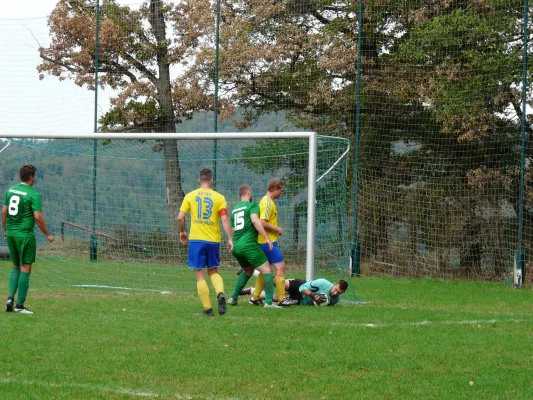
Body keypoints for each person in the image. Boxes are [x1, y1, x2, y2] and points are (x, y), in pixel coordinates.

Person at [177, 168, 233, 317]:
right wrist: (230, 238)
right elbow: (225, 219)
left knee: (200, 274)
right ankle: (220, 293)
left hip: (196, 240)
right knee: (213, 271)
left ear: (199, 180)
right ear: (211, 180)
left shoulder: (190, 196)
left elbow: (180, 217)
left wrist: (183, 231)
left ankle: (208, 310)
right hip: (213, 240)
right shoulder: (219, 198)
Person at [3, 165, 54, 314]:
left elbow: (4, 212)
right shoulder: (33, 194)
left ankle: (10, 298)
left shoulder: (10, 190)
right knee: (26, 267)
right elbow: (37, 217)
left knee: (15, 265)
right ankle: (19, 306)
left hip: (11, 234)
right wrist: (47, 234)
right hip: (25, 235)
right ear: (31, 177)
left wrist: (6, 230)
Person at [227, 184, 281, 308]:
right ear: (249, 193)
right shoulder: (252, 206)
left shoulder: (234, 209)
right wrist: (266, 237)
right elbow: (256, 221)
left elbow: (233, 229)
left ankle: (233, 297)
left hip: (236, 246)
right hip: (248, 245)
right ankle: (268, 302)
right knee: (267, 270)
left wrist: (230, 241)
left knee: (248, 270)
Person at [250, 178, 286, 306]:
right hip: (267, 243)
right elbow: (262, 222)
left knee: (265, 270)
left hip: (266, 241)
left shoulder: (269, 201)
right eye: (281, 190)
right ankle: (282, 299)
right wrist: (277, 229)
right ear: (276, 189)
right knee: (281, 267)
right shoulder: (267, 202)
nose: (282, 193)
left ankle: (255, 297)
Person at [240, 278, 348, 306]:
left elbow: (328, 305)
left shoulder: (335, 300)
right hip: (300, 285)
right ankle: (257, 272)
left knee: (277, 298)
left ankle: (252, 291)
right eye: (335, 290)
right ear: (334, 284)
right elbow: (302, 288)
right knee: (278, 282)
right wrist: (313, 295)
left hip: (300, 300)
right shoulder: (322, 282)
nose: (335, 294)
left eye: (338, 293)